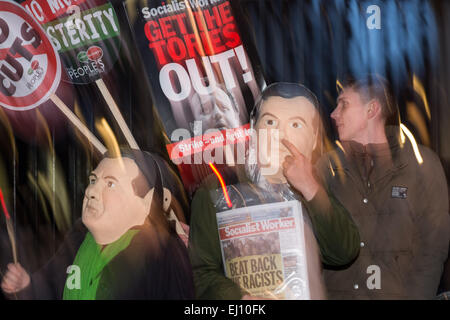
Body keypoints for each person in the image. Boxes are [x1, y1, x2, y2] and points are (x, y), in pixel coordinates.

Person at [188, 82, 361, 300]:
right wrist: (238, 299)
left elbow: (344, 252)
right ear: (253, 129)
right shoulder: (218, 187)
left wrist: (310, 188)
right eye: (270, 122)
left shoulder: (315, 185)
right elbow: (200, 271)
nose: (280, 136)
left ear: (314, 138)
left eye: (296, 125)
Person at [284, 75, 450, 299]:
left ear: (372, 110)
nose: (333, 114)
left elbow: (432, 250)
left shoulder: (421, 165)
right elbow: (307, 247)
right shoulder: (326, 169)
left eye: (344, 104)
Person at [1, 150, 194, 299]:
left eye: (110, 184)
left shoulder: (162, 252)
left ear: (147, 200)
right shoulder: (78, 239)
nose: (91, 191)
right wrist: (27, 285)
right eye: (93, 180)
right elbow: (51, 285)